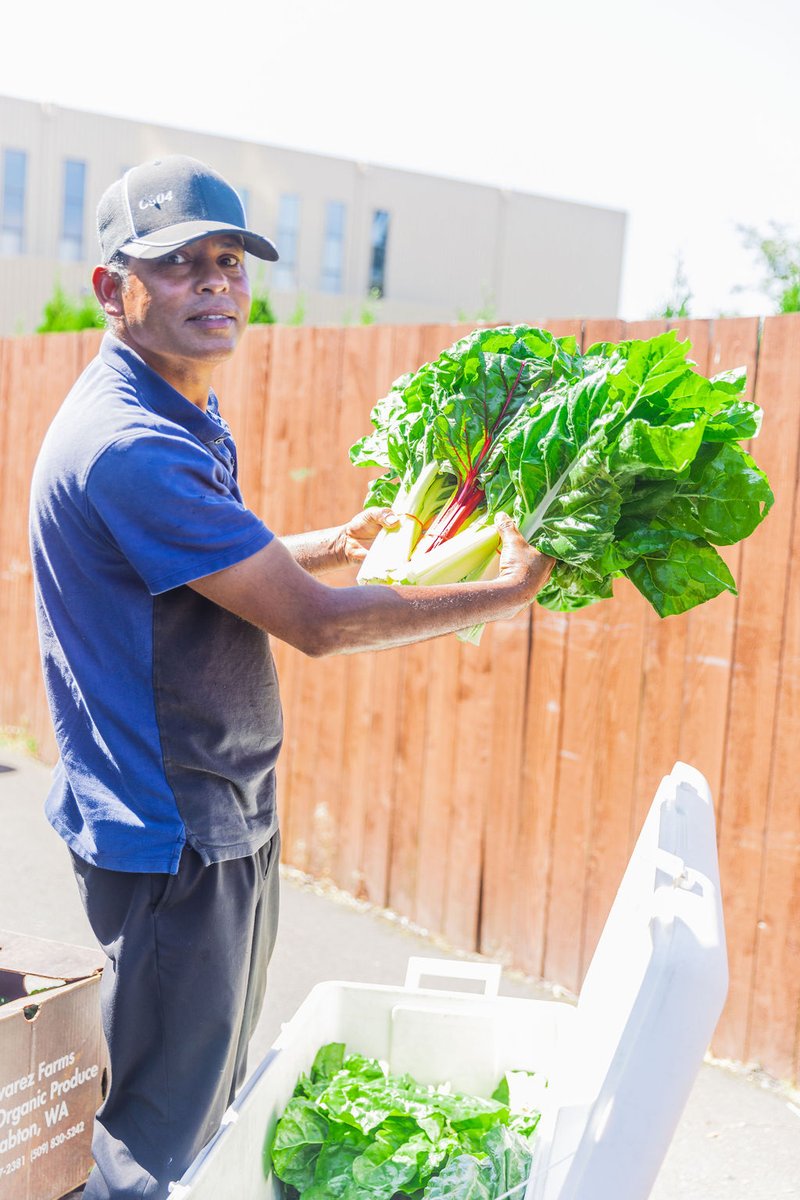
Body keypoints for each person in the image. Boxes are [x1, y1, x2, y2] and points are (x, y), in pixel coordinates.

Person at [28, 154, 554, 1199]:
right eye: (180, 264)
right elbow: (311, 628)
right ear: (110, 286)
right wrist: (503, 591)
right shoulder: (130, 440)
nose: (215, 283)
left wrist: (327, 538)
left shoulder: (173, 409)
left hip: (215, 817)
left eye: (229, 261)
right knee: (152, 1142)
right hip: (173, 834)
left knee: (204, 1093)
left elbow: (201, 572)